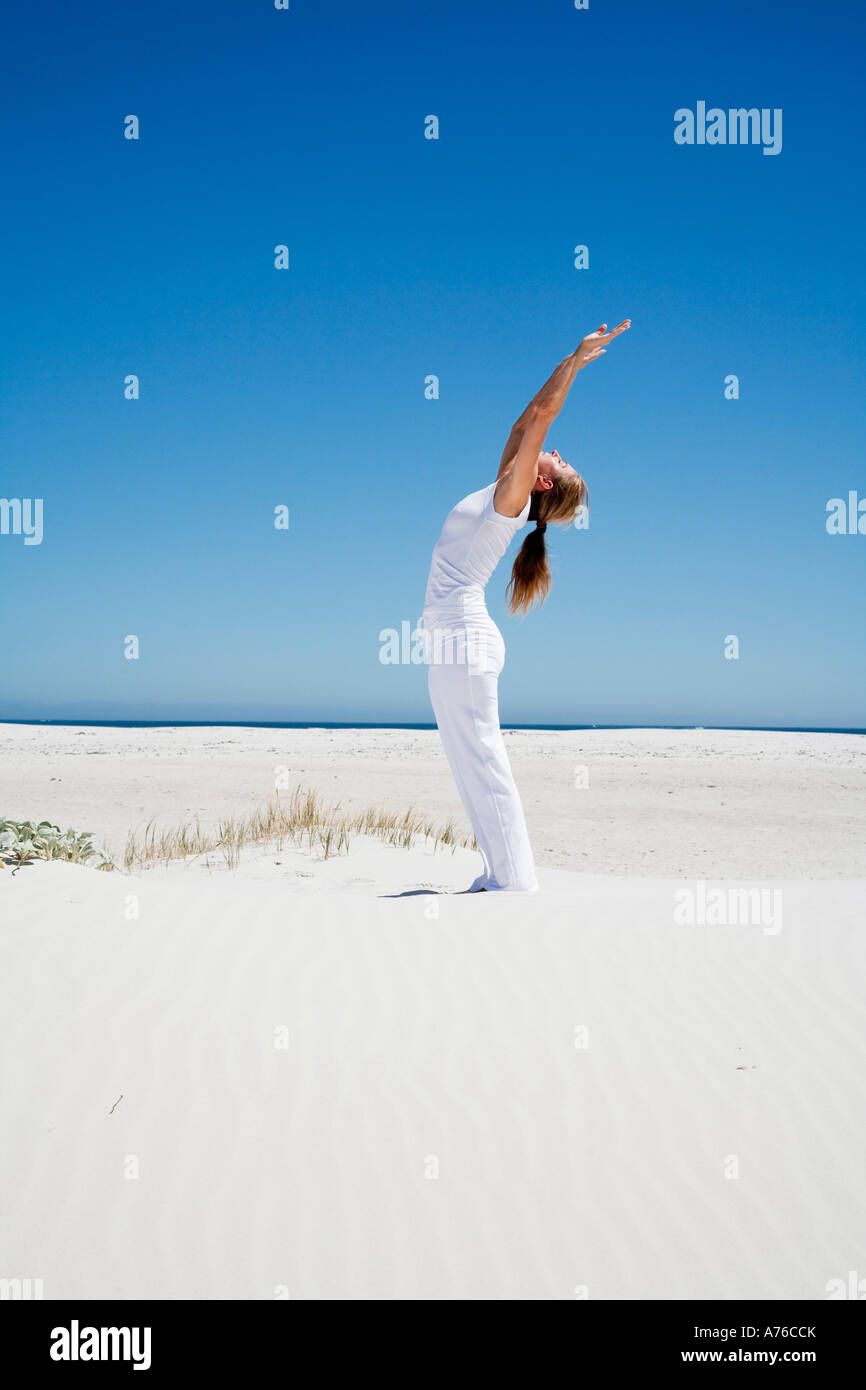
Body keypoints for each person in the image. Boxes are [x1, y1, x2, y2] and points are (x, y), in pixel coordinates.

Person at [419, 320, 631, 892]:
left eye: (559, 462)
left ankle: (516, 885)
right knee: (467, 764)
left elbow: (541, 421)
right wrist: (573, 361)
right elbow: (524, 420)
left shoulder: (509, 504)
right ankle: (496, 874)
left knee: (485, 758)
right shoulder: (502, 489)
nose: (555, 452)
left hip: (465, 638)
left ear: (541, 486)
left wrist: (576, 361)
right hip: (447, 641)